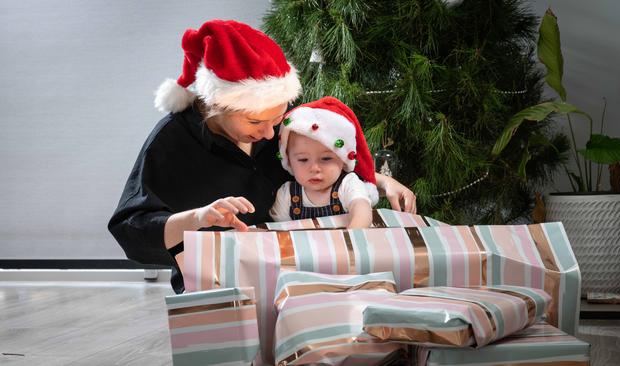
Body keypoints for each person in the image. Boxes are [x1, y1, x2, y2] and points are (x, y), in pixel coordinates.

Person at [108, 19, 417, 293]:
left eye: (276, 119)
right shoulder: (172, 140)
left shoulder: (279, 126)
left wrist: (378, 181)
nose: (270, 134)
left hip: (302, 270)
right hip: (221, 283)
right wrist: (197, 219)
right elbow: (131, 229)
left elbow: (314, 166)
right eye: (255, 122)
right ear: (217, 106)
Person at [270, 96, 377, 228]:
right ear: (289, 161)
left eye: (326, 159)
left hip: (346, 246)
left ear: (343, 160)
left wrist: (351, 238)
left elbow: (362, 211)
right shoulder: (287, 195)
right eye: (303, 159)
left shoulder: (347, 185)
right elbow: (279, 231)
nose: (314, 168)